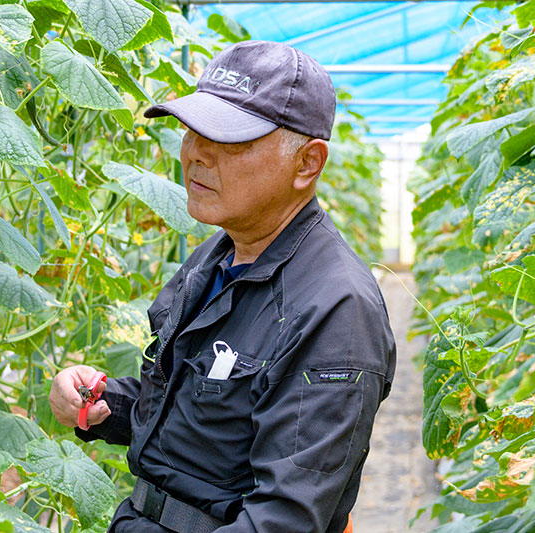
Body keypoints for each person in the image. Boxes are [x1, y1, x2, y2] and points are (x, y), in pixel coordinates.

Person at [49, 40, 397, 533]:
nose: (196, 153)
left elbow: (283, 520)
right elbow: (197, 413)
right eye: (193, 131)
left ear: (307, 163)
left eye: (230, 140)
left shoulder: (337, 311)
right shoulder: (220, 254)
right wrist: (102, 404)